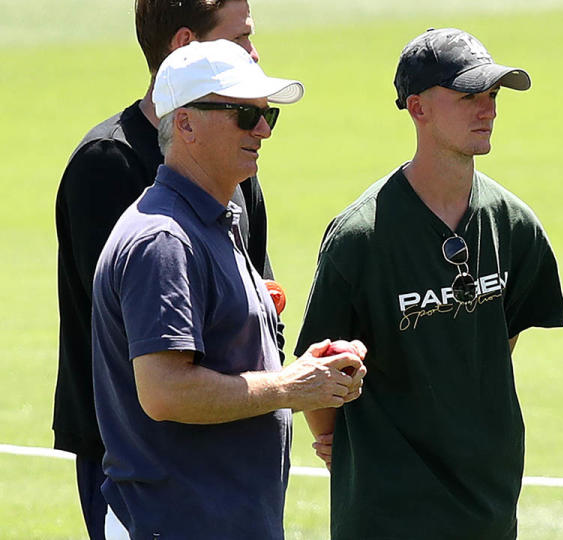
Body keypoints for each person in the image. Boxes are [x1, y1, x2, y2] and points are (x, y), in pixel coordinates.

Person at [296, 28, 563, 539]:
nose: (487, 109)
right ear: (417, 108)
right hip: (386, 514)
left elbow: (495, 345)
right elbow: (317, 368)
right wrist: (353, 452)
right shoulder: (360, 236)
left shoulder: (514, 224)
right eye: (468, 96)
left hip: (488, 506)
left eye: (492, 95)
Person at [90, 40, 366, 538]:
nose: (262, 129)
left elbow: (230, 361)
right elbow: (165, 392)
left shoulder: (217, 221)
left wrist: (310, 371)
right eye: (243, 114)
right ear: (187, 124)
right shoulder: (164, 240)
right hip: (177, 523)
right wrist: (290, 386)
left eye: (266, 116)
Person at [53, 2, 277, 538]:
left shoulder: (232, 165)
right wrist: (288, 388)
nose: (254, 52)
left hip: (224, 460)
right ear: (184, 47)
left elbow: (261, 295)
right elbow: (143, 342)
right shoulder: (110, 166)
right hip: (139, 467)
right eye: (240, 39)